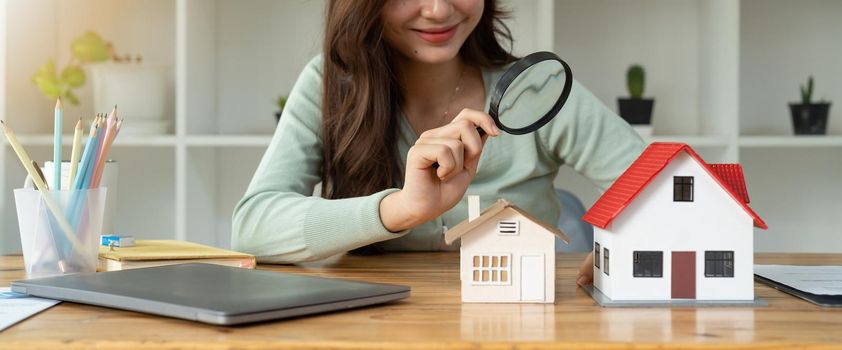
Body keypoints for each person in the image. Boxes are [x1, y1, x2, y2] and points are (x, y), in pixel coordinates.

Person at [231, 0, 644, 286]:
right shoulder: (329, 83)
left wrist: (629, 240)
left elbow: (655, 187)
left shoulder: (533, 90)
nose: (439, 10)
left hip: (525, 319)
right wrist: (401, 209)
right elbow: (252, 228)